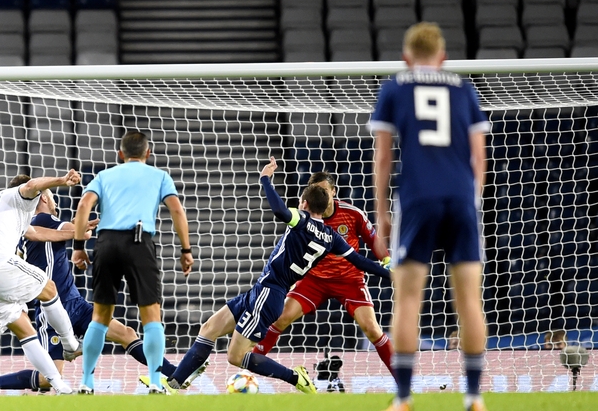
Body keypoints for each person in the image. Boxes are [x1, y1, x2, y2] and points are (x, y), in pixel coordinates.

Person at [163, 157, 392, 394]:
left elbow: (279, 209)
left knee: (235, 356)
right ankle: (173, 383)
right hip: (262, 291)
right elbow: (360, 261)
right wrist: (389, 274)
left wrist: (265, 179)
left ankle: (295, 378)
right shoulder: (331, 237)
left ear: (304, 203)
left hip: (269, 293)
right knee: (208, 328)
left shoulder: (301, 221)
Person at [371, 22, 490, 411]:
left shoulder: (394, 88)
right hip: (460, 198)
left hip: (418, 198)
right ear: (443, 57)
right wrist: (471, 202)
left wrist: (382, 213)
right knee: (469, 300)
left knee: (407, 300)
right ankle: (474, 397)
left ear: (406, 57)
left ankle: (404, 398)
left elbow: (384, 157)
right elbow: (479, 156)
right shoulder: (463, 88)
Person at [0, 187, 182, 394]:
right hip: (52, 310)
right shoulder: (43, 219)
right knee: (46, 379)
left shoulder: (25, 229)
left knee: (126, 334)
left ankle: (175, 375)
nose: (54, 200)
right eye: (52, 195)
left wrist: (80, 228)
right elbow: (77, 231)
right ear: (44, 198)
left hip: (75, 303)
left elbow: (70, 233)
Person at [71, 131, 194, 394]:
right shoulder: (159, 176)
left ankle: (86, 382)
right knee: (151, 316)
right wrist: (186, 249)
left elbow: (83, 206)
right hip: (139, 243)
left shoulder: (104, 175)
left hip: (106, 243)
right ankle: (156, 381)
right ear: (148, 153)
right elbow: (176, 209)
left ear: (121, 154)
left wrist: (79, 247)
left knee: (100, 317)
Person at [253, 171, 394, 377]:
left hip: (349, 280)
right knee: (280, 318)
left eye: (325, 191)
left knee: (372, 329)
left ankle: (404, 383)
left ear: (334, 191)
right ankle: (250, 368)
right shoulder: (305, 218)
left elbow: (373, 240)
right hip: (314, 280)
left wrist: (387, 261)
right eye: (317, 191)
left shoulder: (352, 214)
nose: (322, 195)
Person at [0, 172, 84, 395]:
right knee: (49, 288)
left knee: (24, 329)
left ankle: (61, 387)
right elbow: (32, 185)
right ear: (38, 196)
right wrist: (62, 181)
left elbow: (34, 233)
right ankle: (70, 345)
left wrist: (75, 232)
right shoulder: (20, 196)